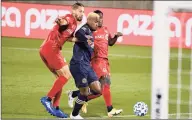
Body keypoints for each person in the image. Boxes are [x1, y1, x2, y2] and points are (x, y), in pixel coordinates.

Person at [67, 10, 123, 117]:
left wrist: (116, 36)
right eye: (97, 19)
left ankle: (75, 95)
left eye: (101, 18)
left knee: (98, 90)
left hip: (103, 61)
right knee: (105, 82)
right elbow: (77, 35)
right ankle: (109, 109)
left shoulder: (105, 30)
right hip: (95, 61)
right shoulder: (90, 31)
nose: (99, 21)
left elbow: (110, 43)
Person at [39, 3, 84, 118]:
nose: (82, 14)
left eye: (83, 12)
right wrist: (60, 21)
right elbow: (63, 23)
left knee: (60, 79)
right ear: (74, 11)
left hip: (48, 49)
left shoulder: (74, 24)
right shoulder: (69, 18)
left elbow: (67, 36)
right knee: (66, 75)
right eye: (80, 11)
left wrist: (81, 40)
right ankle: (48, 99)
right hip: (52, 48)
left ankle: (56, 107)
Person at [69, 12, 100, 119]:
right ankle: (74, 115)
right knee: (85, 92)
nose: (97, 24)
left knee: (97, 89)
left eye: (98, 22)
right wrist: (86, 39)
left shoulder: (90, 32)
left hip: (87, 65)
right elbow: (77, 34)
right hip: (78, 64)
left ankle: (73, 94)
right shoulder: (84, 29)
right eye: (96, 22)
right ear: (90, 21)